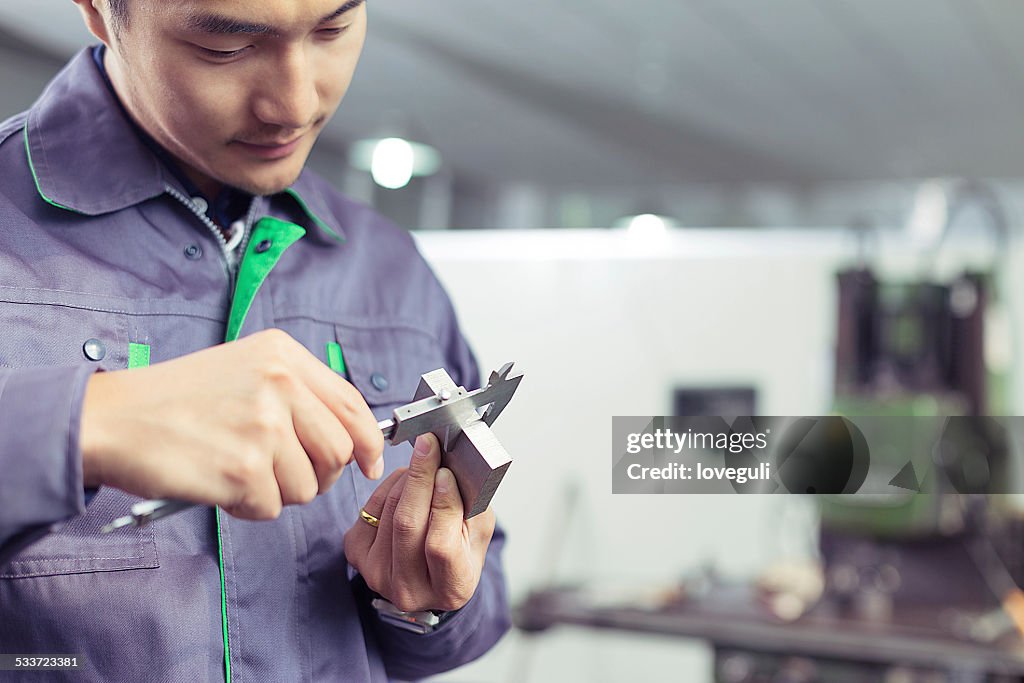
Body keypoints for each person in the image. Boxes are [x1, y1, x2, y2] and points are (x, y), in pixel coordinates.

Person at [0, 0, 511, 680]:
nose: (294, 105)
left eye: (333, 28)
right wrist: (83, 424)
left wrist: (425, 602)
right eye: (225, 47)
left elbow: (482, 597)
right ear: (98, 9)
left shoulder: (391, 269)